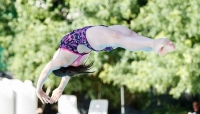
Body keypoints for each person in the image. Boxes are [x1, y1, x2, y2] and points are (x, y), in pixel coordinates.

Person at [36, 25, 176, 104]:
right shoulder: (64, 62)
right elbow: (62, 73)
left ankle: (155, 48)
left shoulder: (61, 60)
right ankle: (154, 43)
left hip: (95, 37)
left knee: (129, 34)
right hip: (91, 38)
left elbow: (48, 71)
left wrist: (40, 89)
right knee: (120, 38)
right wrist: (58, 88)